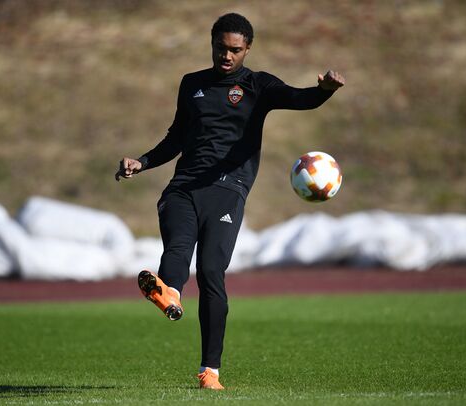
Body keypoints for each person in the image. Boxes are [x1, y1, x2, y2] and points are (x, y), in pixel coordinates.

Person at [116, 12, 344, 390]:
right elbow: (175, 138)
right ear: (212, 45)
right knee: (176, 245)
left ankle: (210, 371)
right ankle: (168, 291)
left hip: (227, 189)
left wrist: (324, 91)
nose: (226, 56)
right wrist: (142, 162)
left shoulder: (259, 86)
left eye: (235, 50)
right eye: (221, 48)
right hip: (183, 187)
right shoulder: (192, 84)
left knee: (210, 272)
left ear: (247, 49)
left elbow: (300, 99)